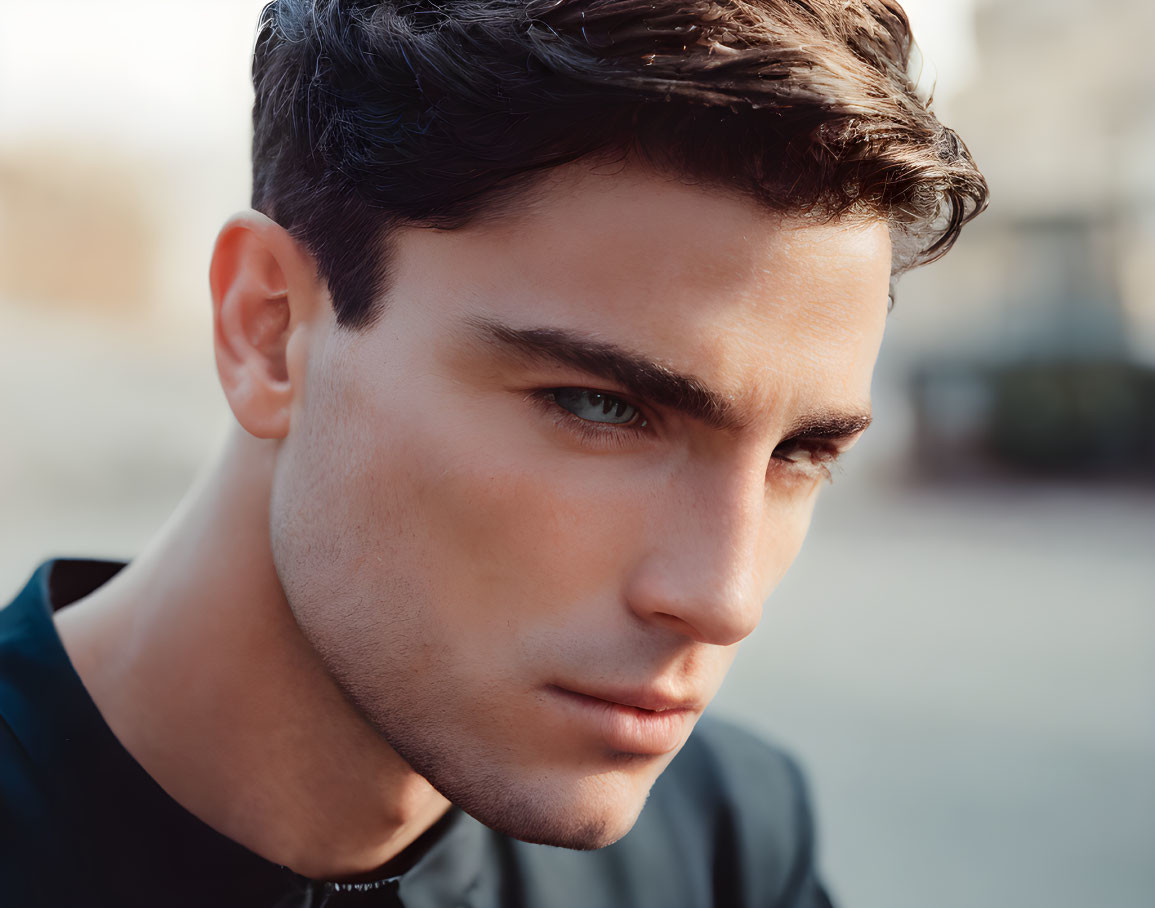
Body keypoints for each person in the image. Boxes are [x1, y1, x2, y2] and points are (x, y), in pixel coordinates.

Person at [0, 1, 987, 905]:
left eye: (800, 452)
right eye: (600, 405)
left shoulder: (725, 845)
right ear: (268, 330)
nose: (724, 600)